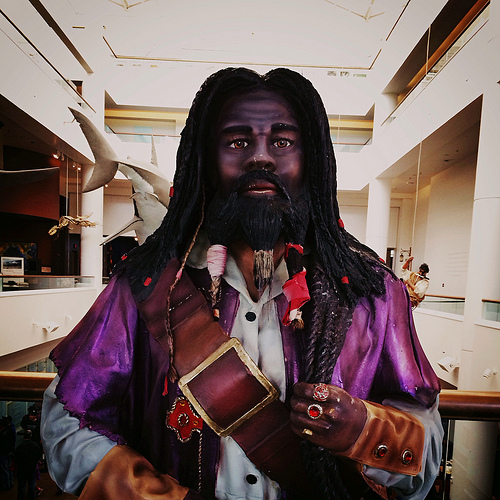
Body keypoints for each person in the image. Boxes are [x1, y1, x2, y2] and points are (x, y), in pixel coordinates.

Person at [41, 67, 443, 500]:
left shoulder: (372, 291)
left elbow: (427, 449)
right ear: (206, 161)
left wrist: (364, 430)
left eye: (283, 141)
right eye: (237, 141)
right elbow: (66, 419)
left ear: (312, 160)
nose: (261, 158)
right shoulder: (145, 286)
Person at [14, 429, 42, 500]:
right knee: (31, 483)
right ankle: (31, 497)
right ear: (31, 436)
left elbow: (16, 457)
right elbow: (38, 455)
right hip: (31, 467)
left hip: (22, 468)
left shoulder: (20, 446)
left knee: (21, 485)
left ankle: (20, 498)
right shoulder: (35, 445)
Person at [0, 416, 16, 491]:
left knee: (4, 469)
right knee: (8, 469)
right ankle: (10, 483)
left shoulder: (7, 432)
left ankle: (6, 485)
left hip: (4, 453)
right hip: (9, 452)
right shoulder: (11, 429)